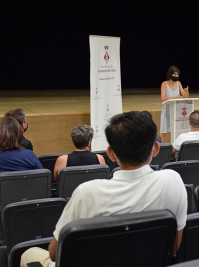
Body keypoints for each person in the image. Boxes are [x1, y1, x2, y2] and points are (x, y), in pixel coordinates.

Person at [20, 111, 187, 267]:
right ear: (156, 149)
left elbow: (55, 253)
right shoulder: (173, 180)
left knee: (28, 254)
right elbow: (174, 247)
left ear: (111, 154)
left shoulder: (87, 193)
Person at [160, 66, 189, 141]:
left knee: (177, 131)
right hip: (167, 110)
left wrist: (186, 91)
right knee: (163, 132)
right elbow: (163, 99)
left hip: (177, 110)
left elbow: (185, 96)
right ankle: (159, 148)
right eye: (174, 74)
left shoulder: (178, 83)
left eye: (177, 74)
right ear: (170, 75)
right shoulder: (164, 84)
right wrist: (175, 98)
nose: (176, 76)